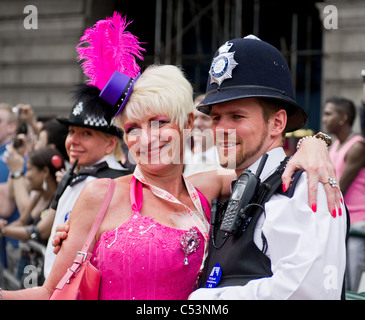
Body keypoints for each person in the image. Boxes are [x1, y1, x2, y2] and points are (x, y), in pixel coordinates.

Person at [1, 61, 337, 300]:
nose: (146, 138)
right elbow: (49, 292)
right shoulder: (100, 194)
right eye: (132, 129)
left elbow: (264, 167)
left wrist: (314, 145)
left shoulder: (208, 189)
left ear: (188, 122)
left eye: (159, 122)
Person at [188, 36, 347, 300]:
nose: (222, 129)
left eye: (237, 116)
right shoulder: (239, 187)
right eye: (216, 117)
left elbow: (309, 292)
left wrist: (204, 300)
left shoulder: (306, 186)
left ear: (277, 123)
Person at [42, 84, 132, 279]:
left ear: (110, 143)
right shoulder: (81, 176)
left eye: (86, 134)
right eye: (71, 131)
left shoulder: (110, 182)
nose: (73, 140)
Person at [1, 147, 65, 283]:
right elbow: (22, 221)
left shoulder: (59, 199)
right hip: (27, 264)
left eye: (29, 169)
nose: (27, 175)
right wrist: (4, 226)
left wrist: (4, 230)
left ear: (45, 171)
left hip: (43, 270)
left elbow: (39, 231)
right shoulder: (38, 194)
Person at [322, 96, 365, 290]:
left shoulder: (357, 146)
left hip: (358, 224)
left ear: (343, 118)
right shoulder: (336, 146)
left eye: (328, 114)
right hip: (342, 221)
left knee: (352, 285)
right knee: (341, 281)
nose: (324, 119)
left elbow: (339, 188)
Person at [183, 94, 224, 177]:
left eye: (204, 118)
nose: (196, 123)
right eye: (194, 117)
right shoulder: (190, 155)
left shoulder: (225, 162)